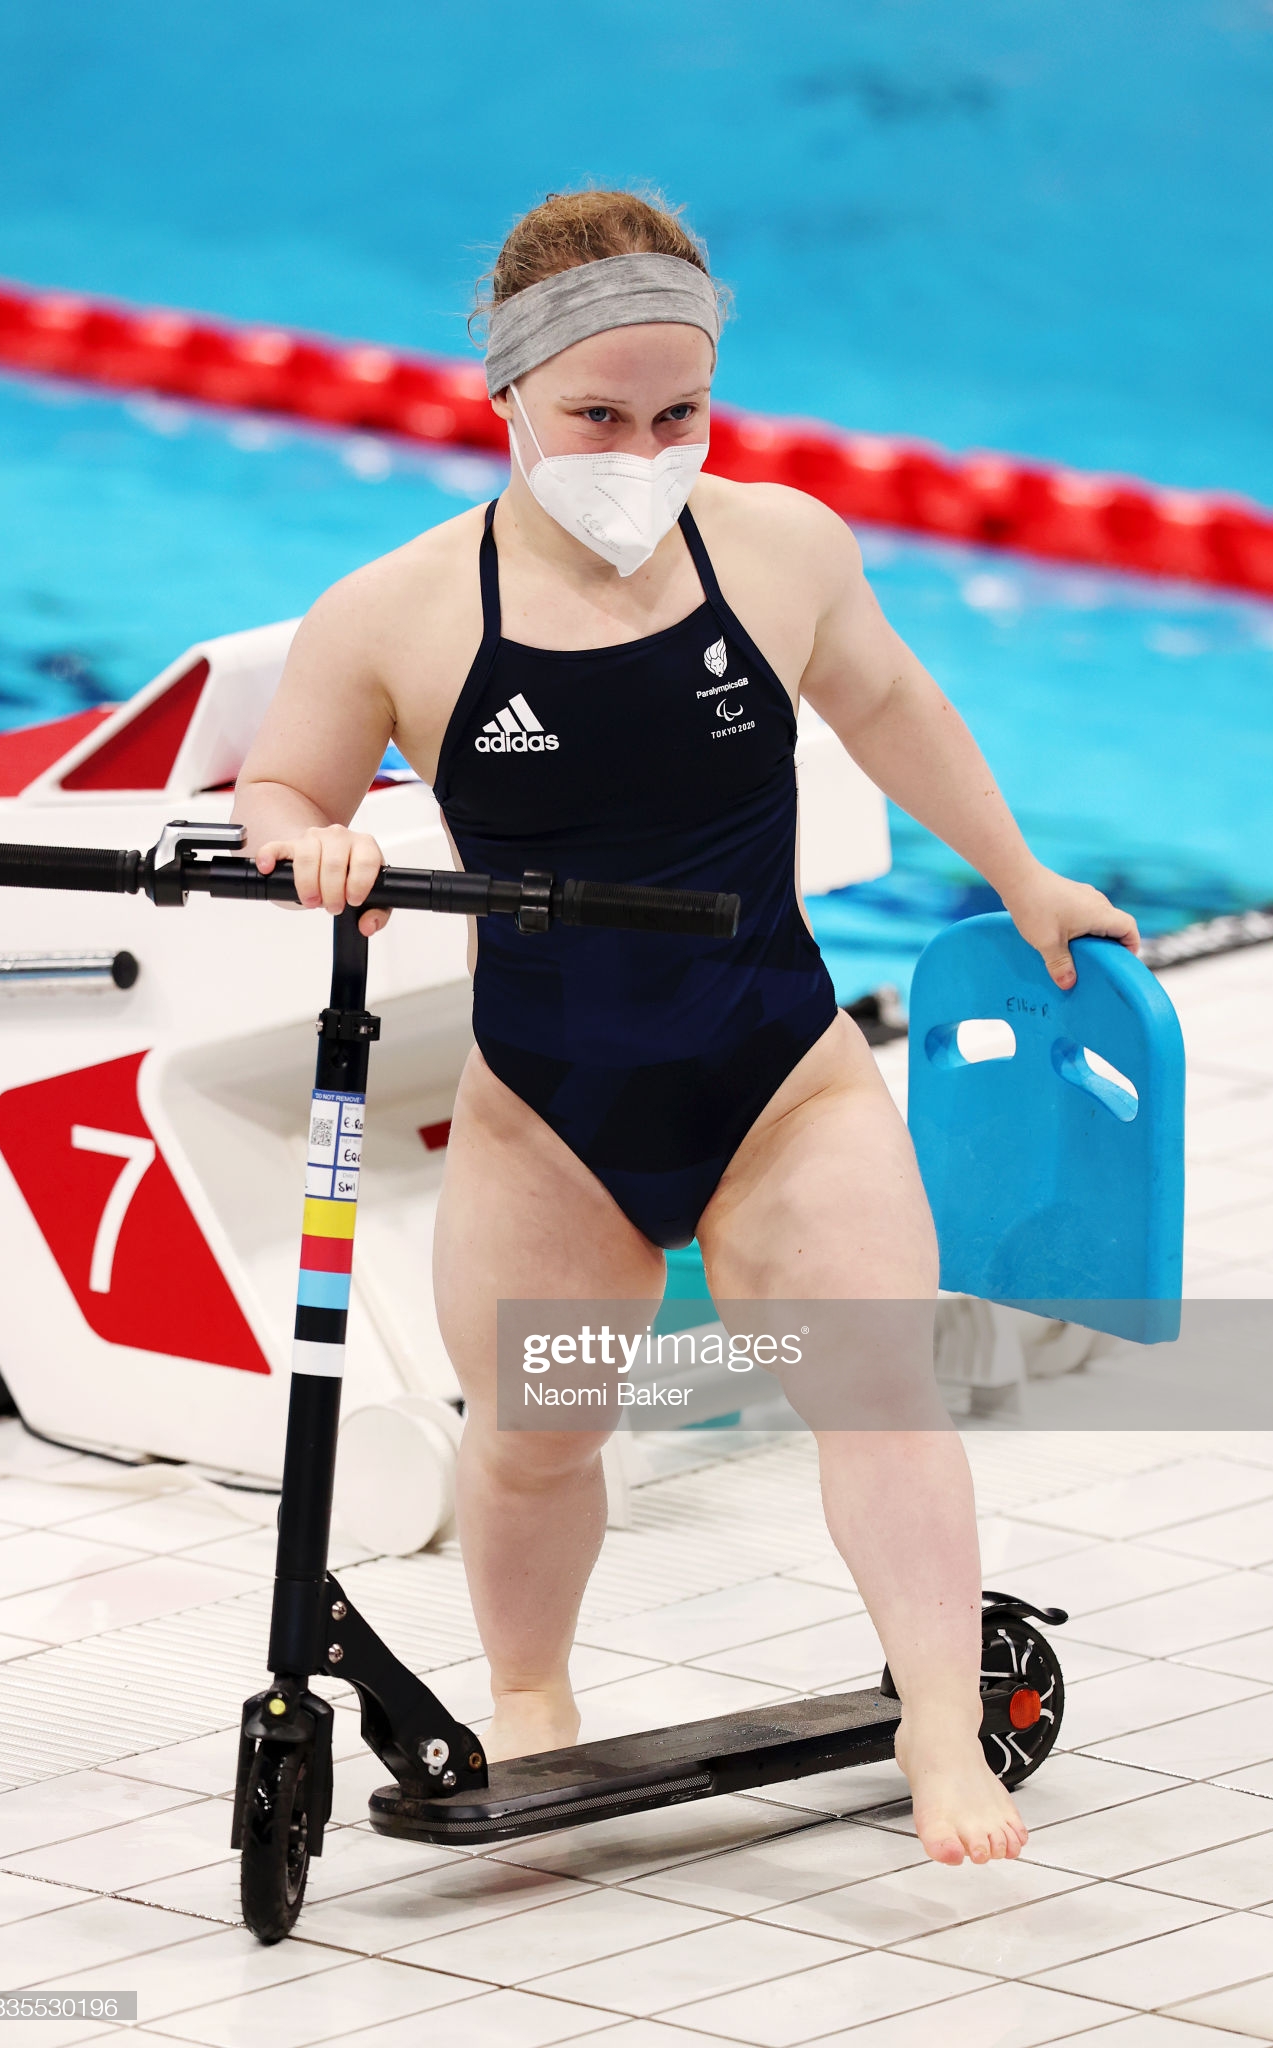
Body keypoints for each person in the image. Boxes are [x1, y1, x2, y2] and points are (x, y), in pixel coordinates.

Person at [232, 187, 1140, 1867]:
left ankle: (944, 1730)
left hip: (778, 1077)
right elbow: (276, 784)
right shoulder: (396, 612)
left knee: (876, 1386)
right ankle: (533, 1707)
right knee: (529, 1437)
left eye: (677, 413)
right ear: (503, 394)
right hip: (547, 1110)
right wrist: (311, 840)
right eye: (596, 414)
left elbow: (885, 701)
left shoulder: (783, 546)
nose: (638, 450)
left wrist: (1021, 878)